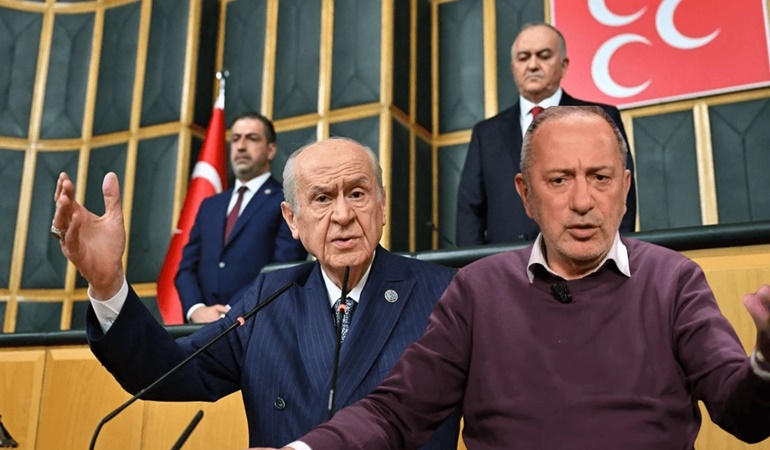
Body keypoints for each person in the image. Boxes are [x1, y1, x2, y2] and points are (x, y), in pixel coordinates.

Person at [269, 107, 770, 450]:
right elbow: (395, 412)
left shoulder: (673, 279)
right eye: (559, 180)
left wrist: (766, 363)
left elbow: (744, 416)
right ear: (525, 194)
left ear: (624, 189)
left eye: (600, 178)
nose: (582, 201)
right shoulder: (477, 290)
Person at [50, 138, 461, 448]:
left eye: (357, 193)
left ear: (382, 205)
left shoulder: (444, 292)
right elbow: (168, 374)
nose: (342, 215)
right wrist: (107, 284)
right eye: (322, 198)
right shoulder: (270, 295)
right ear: (292, 220)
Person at [456, 22, 637, 246]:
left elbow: (620, 194)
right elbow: (470, 210)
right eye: (523, 57)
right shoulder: (486, 134)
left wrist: (613, 254)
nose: (532, 65)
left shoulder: (599, 118)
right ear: (513, 68)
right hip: (505, 261)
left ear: (563, 65)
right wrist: (474, 264)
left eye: (543, 56)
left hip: (583, 256)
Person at [176, 111, 307, 323]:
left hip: (258, 324)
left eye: (252, 138)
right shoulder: (210, 205)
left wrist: (231, 310)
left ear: (271, 149)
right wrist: (196, 309)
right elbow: (186, 268)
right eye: (235, 138)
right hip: (201, 328)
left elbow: (283, 266)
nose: (241, 146)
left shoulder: (286, 201)